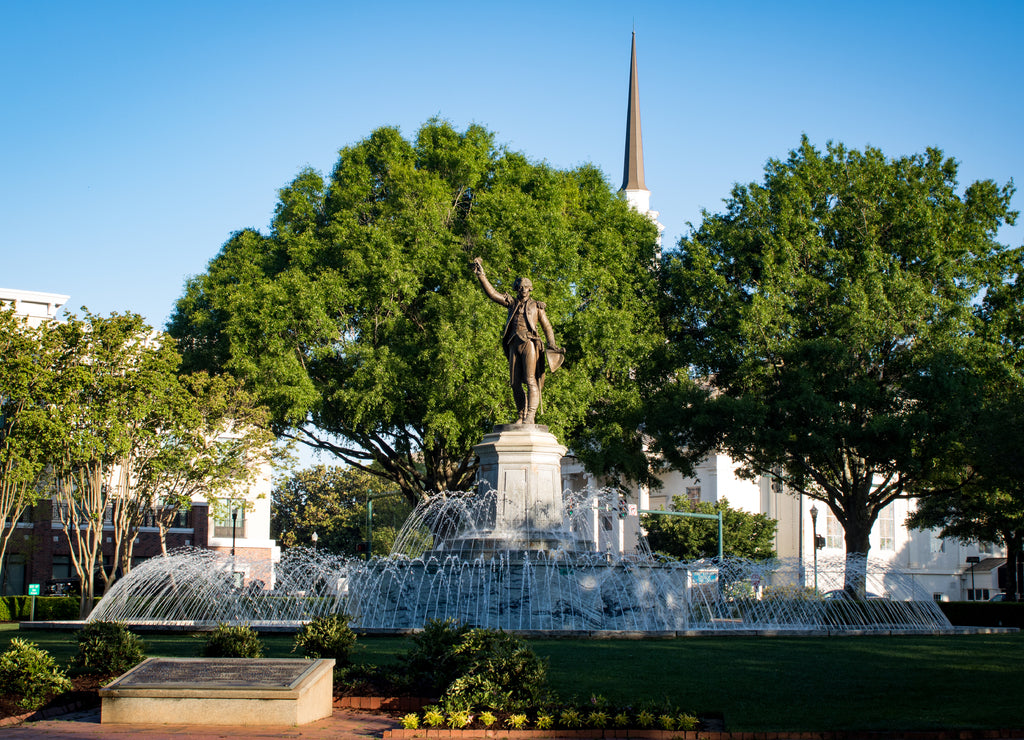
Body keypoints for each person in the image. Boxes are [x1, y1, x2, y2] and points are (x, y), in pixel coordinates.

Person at [470, 257, 563, 424]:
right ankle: (521, 415)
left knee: (530, 380)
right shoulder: (511, 303)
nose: (523, 290)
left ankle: (530, 416)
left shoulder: (537, 306)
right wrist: (481, 276)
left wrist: (552, 344)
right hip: (513, 343)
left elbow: (547, 327)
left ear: (530, 289)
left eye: (526, 287)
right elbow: (492, 294)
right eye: (520, 287)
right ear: (516, 289)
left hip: (529, 343)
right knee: (514, 383)